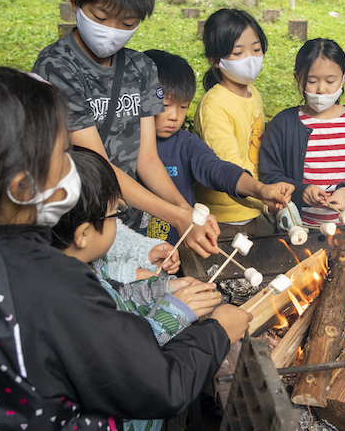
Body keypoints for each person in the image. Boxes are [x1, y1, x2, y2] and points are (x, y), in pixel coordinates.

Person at [0, 62, 251, 429]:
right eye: (62, 157)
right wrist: (215, 332)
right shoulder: (48, 283)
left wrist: (156, 288)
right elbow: (155, 383)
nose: (73, 168)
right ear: (21, 188)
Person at [32, 0, 220, 260]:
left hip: (129, 219)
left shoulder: (142, 69)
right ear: (75, 3)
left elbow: (147, 160)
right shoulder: (57, 67)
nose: (112, 32)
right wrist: (175, 216)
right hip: (77, 225)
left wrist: (188, 213)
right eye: (101, 17)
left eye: (127, 23)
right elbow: (100, 167)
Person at [52, 147, 222, 431]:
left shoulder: (86, 269)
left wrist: (161, 288)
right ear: (83, 234)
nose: (116, 222)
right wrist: (177, 311)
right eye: (113, 215)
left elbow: (121, 299)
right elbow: (130, 358)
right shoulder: (76, 297)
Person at [142, 49, 294, 245]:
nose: (174, 116)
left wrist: (259, 189)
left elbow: (217, 169)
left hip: (180, 249)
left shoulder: (185, 144)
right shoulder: (123, 148)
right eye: (165, 105)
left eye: (183, 106)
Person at [259, 38, 345, 225]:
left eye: (330, 81)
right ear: (298, 79)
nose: (321, 90)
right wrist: (301, 190)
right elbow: (270, 175)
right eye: (312, 81)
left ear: (343, 79)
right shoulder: (283, 124)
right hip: (298, 230)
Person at [194, 9, 269, 236]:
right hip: (224, 217)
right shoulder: (214, 106)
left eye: (256, 50)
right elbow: (228, 169)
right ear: (215, 61)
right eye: (238, 53)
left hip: (252, 206)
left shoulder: (253, 93)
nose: (250, 59)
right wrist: (264, 200)